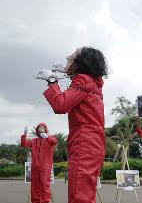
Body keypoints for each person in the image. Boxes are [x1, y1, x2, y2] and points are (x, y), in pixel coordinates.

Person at [40, 47, 108, 203]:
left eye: (71, 58)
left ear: (80, 63)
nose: (67, 58)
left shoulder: (83, 81)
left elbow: (60, 105)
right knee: (85, 194)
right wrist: (67, 73)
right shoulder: (93, 83)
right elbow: (79, 89)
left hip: (84, 144)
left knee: (79, 196)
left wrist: (52, 81)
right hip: (93, 144)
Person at [21, 123, 57, 203]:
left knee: (44, 186)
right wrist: (24, 135)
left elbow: (54, 141)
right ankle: (35, 201)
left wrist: (47, 137)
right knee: (35, 186)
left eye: (42, 127)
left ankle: (45, 201)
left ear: (45, 129)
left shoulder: (49, 140)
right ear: (37, 130)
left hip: (45, 167)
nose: (41, 129)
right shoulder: (34, 141)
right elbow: (24, 144)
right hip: (35, 167)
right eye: (39, 128)